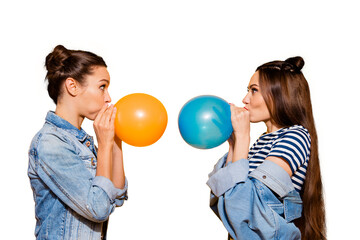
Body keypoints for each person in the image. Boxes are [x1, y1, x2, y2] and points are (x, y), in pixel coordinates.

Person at [207, 57, 326, 239]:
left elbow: (244, 208)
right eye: (247, 90)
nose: (245, 99)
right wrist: (234, 143)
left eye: (254, 90)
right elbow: (225, 207)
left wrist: (243, 138)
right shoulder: (262, 141)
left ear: (279, 95)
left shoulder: (296, 136)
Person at [28, 45, 128, 239]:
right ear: (72, 86)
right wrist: (105, 145)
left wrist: (116, 140)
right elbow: (98, 208)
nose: (108, 98)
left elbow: (116, 194)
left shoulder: (82, 143)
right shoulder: (51, 143)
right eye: (102, 87)